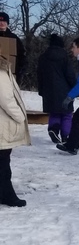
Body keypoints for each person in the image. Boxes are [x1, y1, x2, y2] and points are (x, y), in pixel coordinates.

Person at [0, 55, 30, 207]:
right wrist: (20, 116)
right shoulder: (1, 72)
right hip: (2, 123)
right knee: (3, 161)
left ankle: (6, 194)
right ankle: (7, 196)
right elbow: (6, 99)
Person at [36, 33, 76, 144]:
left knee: (54, 113)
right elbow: (70, 75)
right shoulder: (65, 57)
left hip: (48, 90)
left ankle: (53, 129)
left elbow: (39, 74)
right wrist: (75, 88)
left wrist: (41, 90)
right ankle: (65, 136)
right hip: (64, 90)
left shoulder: (43, 57)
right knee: (67, 114)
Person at [0, 12, 26, 81]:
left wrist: (20, 71)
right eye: (0, 21)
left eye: (4, 21)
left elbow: (21, 55)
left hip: (10, 75)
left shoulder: (14, 38)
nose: (1, 23)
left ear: (7, 23)